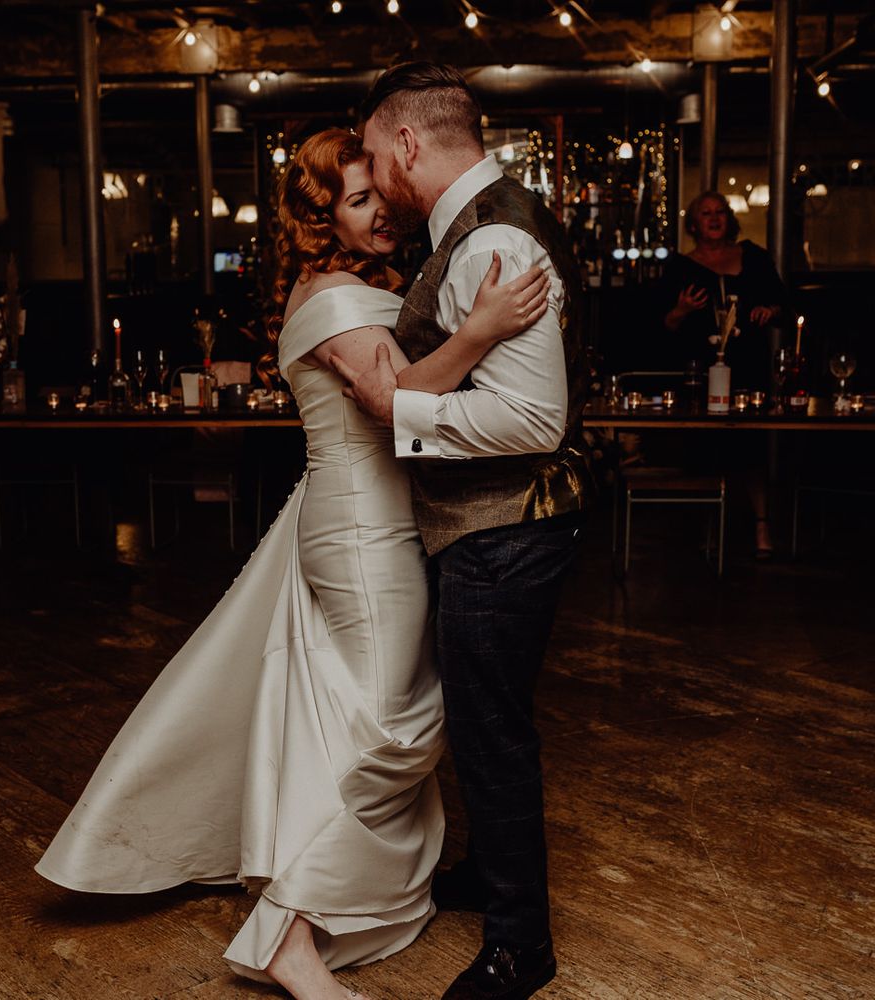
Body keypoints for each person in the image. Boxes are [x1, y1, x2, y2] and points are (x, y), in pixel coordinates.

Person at [35, 127, 550, 1000]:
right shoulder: (332, 302)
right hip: (362, 533)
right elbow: (399, 404)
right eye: (357, 201)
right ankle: (291, 938)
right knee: (392, 729)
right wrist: (484, 328)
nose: (382, 212)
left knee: (367, 721)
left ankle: (320, 892)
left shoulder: (363, 287)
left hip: (377, 525)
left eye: (381, 195)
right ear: (320, 221)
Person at [333, 63, 594, 1000]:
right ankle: (490, 875)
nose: (370, 172)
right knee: (485, 718)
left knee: (491, 731)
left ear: (406, 144)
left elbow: (532, 424)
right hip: (499, 527)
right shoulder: (483, 227)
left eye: (371, 153)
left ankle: (523, 945)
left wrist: (399, 408)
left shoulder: (496, 246)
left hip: (507, 528)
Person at [658, 190, 789, 558]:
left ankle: (761, 529)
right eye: (706, 213)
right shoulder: (680, 268)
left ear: (728, 219)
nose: (714, 218)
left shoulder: (754, 257)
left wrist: (768, 309)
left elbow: (782, 303)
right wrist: (682, 309)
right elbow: (663, 325)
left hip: (748, 367)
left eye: (719, 212)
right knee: (703, 448)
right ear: (694, 223)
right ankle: (707, 531)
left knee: (751, 450)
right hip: (699, 370)